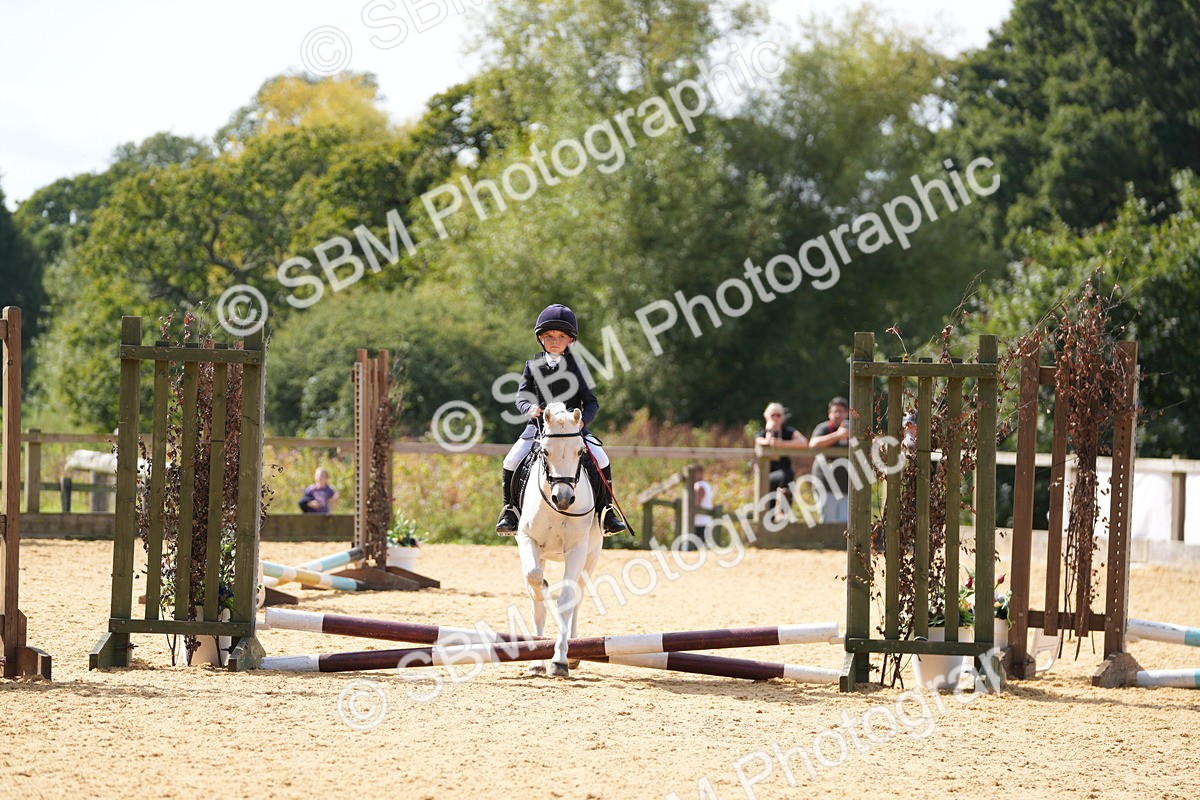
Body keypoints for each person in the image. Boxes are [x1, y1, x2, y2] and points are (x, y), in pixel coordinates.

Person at [496, 303, 627, 535]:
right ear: (540, 338)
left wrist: (583, 421)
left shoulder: (578, 367)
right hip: (538, 430)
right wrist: (530, 408)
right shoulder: (532, 365)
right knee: (511, 460)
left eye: (561, 336)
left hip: (572, 431)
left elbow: (592, 402)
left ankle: (607, 511)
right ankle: (510, 511)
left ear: (570, 340)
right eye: (549, 336)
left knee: (601, 458)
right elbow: (521, 397)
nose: (555, 340)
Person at [754, 403, 809, 517]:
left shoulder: (788, 432)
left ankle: (783, 509)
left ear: (782, 417)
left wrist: (782, 443)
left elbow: (803, 442)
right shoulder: (762, 433)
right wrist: (770, 431)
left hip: (784, 477)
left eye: (778, 415)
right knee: (768, 512)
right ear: (766, 417)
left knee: (787, 474)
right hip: (766, 476)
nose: (775, 418)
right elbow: (761, 442)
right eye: (772, 415)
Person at [809, 396, 850, 524]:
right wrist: (837, 435)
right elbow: (813, 444)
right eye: (835, 411)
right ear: (829, 413)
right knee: (828, 522)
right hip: (825, 484)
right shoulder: (823, 428)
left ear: (847, 413)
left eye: (841, 411)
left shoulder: (852, 428)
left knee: (845, 523)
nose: (838, 415)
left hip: (847, 485)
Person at [691, 464, 715, 544]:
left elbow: (697, 505)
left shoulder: (698, 486)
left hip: (699, 523)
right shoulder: (707, 485)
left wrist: (690, 519)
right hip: (706, 522)